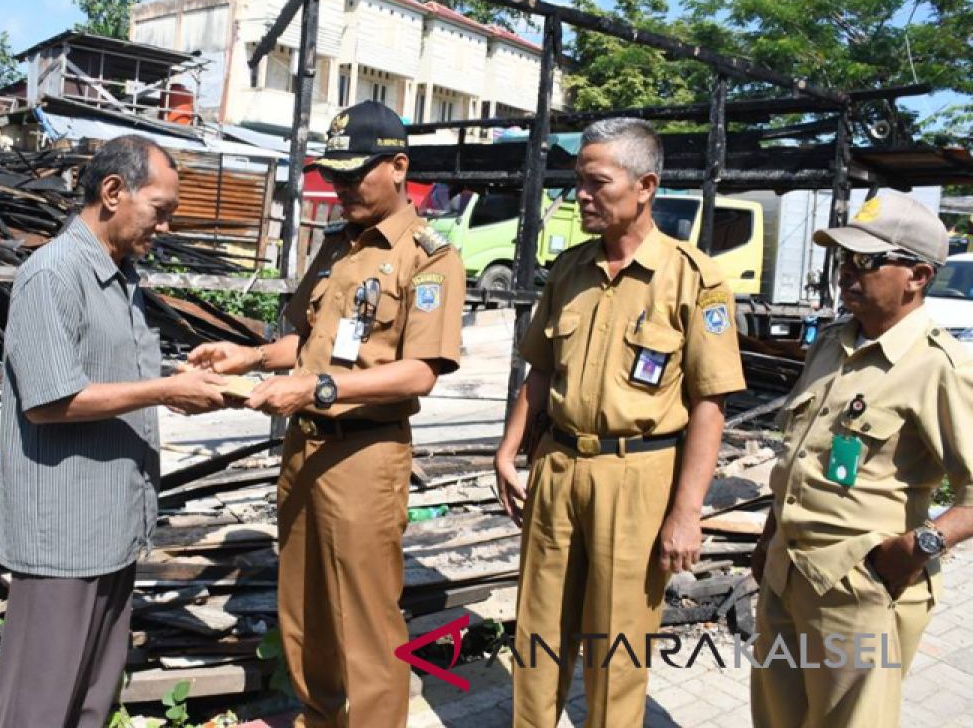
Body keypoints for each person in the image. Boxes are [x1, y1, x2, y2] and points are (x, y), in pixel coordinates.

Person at [189, 100, 466, 727]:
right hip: (305, 451)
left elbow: (420, 371)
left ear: (397, 167)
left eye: (353, 175)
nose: (339, 189)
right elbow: (311, 341)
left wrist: (315, 390)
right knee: (305, 613)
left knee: (366, 627)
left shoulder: (430, 257)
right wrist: (251, 356)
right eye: (333, 176)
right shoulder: (338, 246)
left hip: (364, 456)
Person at [494, 118, 746, 727]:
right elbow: (540, 370)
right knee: (538, 632)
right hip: (556, 467)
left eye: (595, 182)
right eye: (577, 181)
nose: (581, 194)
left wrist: (686, 513)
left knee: (617, 642)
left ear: (645, 186)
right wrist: (508, 451)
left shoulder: (694, 279)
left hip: (638, 477)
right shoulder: (569, 270)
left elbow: (711, 404)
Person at [0, 135, 227, 727]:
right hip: (63, 538)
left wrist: (181, 377)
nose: (165, 226)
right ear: (114, 192)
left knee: (94, 700)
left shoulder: (121, 277)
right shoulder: (52, 275)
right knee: (40, 707)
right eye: (160, 210)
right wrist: (164, 391)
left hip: (111, 526)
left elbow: (121, 375)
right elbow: (49, 401)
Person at [750, 191, 973, 728]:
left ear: (917, 275)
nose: (848, 273)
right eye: (844, 259)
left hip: (859, 587)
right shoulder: (830, 345)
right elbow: (799, 458)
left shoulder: (937, 366)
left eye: (868, 262)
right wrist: (768, 536)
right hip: (786, 573)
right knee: (777, 719)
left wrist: (917, 546)